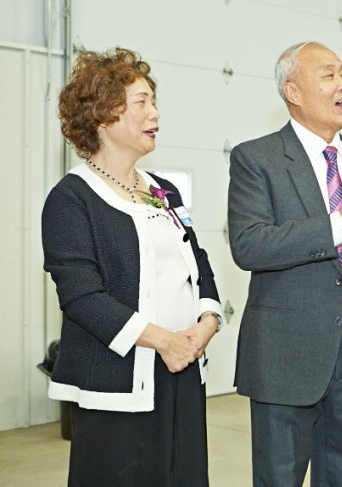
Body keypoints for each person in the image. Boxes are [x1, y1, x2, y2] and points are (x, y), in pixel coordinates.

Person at [227, 41, 342, 486]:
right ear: (293, 92)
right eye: (328, 75)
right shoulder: (257, 159)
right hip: (286, 355)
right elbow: (249, 245)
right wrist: (337, 223)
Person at [41, 47, 223, 487]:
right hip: (116, 384)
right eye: (142, 102)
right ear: (103, 116)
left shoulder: (164, 191)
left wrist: (207, 322)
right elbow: (82, 296)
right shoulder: (71, 199)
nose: (155, 113)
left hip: (182, 370)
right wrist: (163, 341)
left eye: (153, 102)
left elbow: (198, 263)